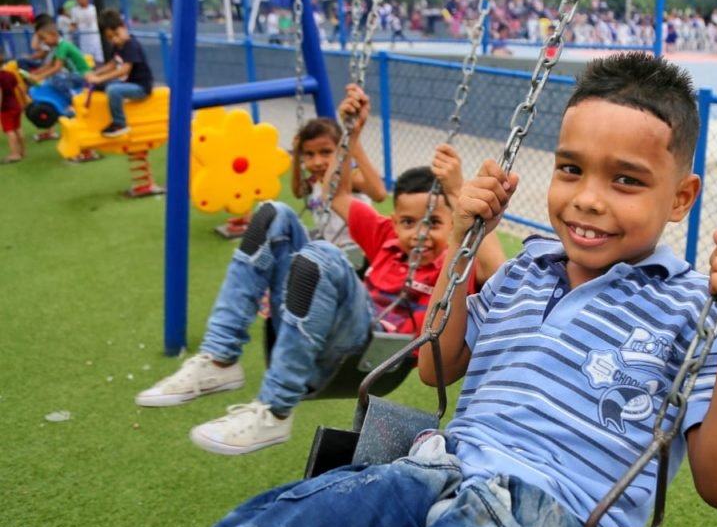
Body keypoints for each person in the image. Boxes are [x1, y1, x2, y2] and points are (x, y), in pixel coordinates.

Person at [112, 53, 717, 527]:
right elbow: (436, 364)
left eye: (626, 180)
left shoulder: (694, 306)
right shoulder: (523, 271)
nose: (588, 199)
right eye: (571, 169)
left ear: (681, 197)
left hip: (534, 525)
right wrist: (461, 240)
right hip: (427, 470)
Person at [133, 84, 506, 456]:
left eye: (432, 224)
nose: (417, 234)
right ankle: (220, 357)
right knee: (273, 214)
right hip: (315, 326)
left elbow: (496, 267)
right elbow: (337, 195)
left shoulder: (456, 260)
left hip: (366, 349)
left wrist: (459, 190)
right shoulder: (381, 236)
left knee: (325, 254)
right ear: (394, 221)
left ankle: (276, 410)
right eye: (406, 223)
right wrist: (352, 134)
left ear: (453, 223)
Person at [83, 9, 153, 138]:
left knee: (113, 89)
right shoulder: (118, 46)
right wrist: (95, 74)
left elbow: (124, 69)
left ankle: (120, 123)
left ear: (124, 27)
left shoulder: (131, 45)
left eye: (116, 34)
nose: (115, 40)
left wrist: (100, 78)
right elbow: (113, 64)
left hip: (141, 88)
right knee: (102, 86)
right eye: (110, 38)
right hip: (129, 83)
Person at [28, 19, 92, 109]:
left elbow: (57, 67)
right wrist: (35, 73)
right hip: (74, 75)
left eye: (44, 38)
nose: (44, 42)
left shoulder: (63, 46)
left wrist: (39, 77)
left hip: (82, 75)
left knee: (56, 78)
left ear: (54, 35)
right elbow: (49, 65)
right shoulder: (58, 47)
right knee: (52, 78)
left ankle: (73, 100)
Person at [0, 51, 26, 164]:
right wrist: (24, 102)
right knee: (18, 128)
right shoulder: (10, 75)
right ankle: (22, 151)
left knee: (9, 131)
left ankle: (14, 154)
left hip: (5, 108)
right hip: (15, 105)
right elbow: (21, 89)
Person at [70, 0, 102, 64]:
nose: (81, 0)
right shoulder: (75, 10)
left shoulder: (93, 8)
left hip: (96, 37)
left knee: (99, 57)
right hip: (84, 38)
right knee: (88, 60)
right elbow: (74, 25)